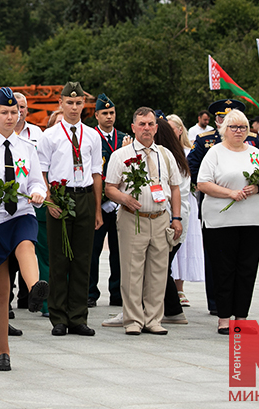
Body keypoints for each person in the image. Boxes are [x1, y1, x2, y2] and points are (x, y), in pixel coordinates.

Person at [0, 87, 50, 372]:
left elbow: (37, 181)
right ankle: (3, 351)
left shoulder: (28, 148)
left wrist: (39, 192)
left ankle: (34, 288)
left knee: (27, 242)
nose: (9, 117)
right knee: (0, 292)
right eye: (4, 112)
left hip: (21, 214)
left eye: (14, 112)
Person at [105, 107, 182, 336]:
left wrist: (176, 218)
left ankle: (154, 319)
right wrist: (124, 198)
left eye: (150, 124)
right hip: (133, 218)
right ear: (133, 127)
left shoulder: (166, 155)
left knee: (158, 272)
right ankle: (133, 320)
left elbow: (175, 189)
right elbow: (110, 188)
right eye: (142, 124)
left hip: (160, 218)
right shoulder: (121, 155)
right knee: (132, 271)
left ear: (156, 128)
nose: (146, 128)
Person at [187, 99, 259, 316]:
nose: (238, 130)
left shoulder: (254, 148)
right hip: (220, 216)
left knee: (245, 268)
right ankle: (218, 307)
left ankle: (240, 313)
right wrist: (223, 189)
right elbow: (195, 171)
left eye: (242, 126)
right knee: (220, 266)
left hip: (251, 218)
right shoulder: (209, 145)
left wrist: (258, 187)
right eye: (232, 125)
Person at [37, 82, 102, 337]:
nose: (74, 108)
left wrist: (96, 209)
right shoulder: (50, 135)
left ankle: (78, 317)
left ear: (83, 105)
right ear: (61, 104)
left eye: (78, 103)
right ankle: (58, 317)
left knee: (82, 259)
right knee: (59, 259)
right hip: (61, 197)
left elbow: (96, 173)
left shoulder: (92, 135)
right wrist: (50, 201)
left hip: (84, 195)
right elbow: (41, 171)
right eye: (69, 103)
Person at [89, 93, 128, 309]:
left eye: (112, 112)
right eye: (104, 113)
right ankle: (90, 292)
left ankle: (117, 292)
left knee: (119, 250)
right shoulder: (91, 137)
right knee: (92, 251)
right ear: (96, 115)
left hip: (120, 203)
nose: (109, 117)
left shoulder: (124, 138)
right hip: (99, 203)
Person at [166, 114, 203, 310]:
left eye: (173, 128)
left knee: (184, 246)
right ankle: (169, 288)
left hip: (187, 200)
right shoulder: (163, 152)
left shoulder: (190, 151)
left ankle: (179, 288)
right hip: (168, 202)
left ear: (181, 130)